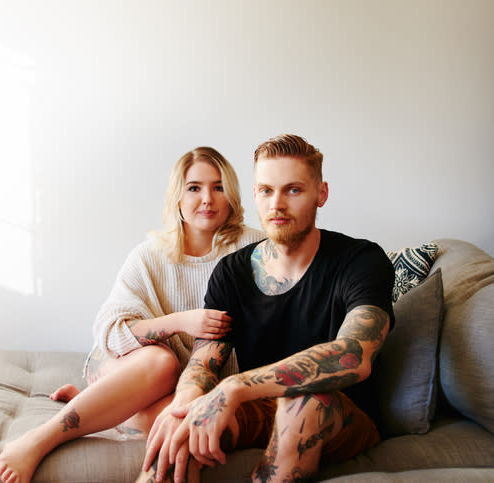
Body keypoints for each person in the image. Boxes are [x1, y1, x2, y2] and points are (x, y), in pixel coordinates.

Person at [0, 147, 265, 483]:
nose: (207, 198)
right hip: (125, 363)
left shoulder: (255, 248)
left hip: (190, 386)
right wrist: (181, 322)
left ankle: (114, 411)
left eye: (218, 187)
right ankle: (41, 437)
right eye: (194, 187)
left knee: (182, 414)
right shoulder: (152, 254)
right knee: (162, 363)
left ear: (232, 196)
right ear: (177, 197)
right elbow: (109, 334)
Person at [141, 134, 395, 483]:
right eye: (265, 190)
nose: (276, 204)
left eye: (293, 190)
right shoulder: (232, 271)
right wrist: (184, 403)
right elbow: (204, 360)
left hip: (339, 414)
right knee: (183, 429)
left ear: (321, 194)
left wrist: (234, 388)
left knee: (301, 405)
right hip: (261, 407)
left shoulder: (360, 260)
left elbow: (353, 355)